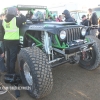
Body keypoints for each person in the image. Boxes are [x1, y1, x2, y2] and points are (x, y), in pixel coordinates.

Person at [0, 7, 26, 74]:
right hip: (13, 41)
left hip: (6, 40)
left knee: (8, 57)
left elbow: (3, 32)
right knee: (12, 58)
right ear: (14, 12)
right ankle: (11, 72)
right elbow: (24, 19)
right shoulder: (16, 19)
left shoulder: (3, 20)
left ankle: (8, 71)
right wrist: (21, 14)